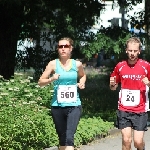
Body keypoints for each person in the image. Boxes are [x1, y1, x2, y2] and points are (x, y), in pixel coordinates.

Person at [38, 37, 86, 150]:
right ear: (58, 49)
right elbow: (40, 82)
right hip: (57, 106)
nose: (63, 49)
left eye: (66, 46)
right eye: (60, 46)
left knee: (69, 139)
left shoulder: (77, 64)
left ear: (71, 48)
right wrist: (51, 79)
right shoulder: (53, 64)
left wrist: (81, 83)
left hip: (74, 105)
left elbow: (83, 75)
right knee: (62, 141)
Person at [109, 37, 150, 150]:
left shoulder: (146, 66)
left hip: (140, 110)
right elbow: (113, 87)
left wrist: (149, 83)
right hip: (124, 108)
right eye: (130, 50)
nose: (132, 53)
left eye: (135, 51)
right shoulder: (120, 66)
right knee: (126, 140)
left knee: (138, 142)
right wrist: (112, 84)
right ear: (126, 50)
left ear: (139, 51)